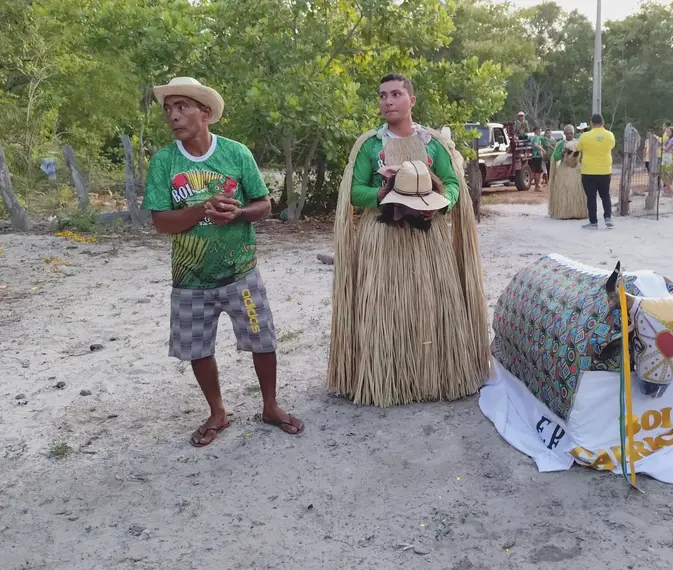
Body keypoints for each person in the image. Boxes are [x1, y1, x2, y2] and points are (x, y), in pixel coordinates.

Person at [142, 77, 303, 447]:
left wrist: (238, 213)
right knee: (199, 348)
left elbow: (264, 205)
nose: (173, 116)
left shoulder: (236, 154)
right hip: (190, 277)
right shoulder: (164, 162)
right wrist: (200, 209)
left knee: (262, 339)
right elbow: (160, 221)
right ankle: (217, 411)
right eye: (168, 109)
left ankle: (270, 405)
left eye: (182, 106)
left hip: (239, 272)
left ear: (206, 113)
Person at [327, 73, 489, 407]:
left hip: (429, 240)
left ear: (412, 100)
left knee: (431, 305)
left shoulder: (433, 143)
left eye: (396, 94)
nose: (387, 101)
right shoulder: (370, 145)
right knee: (385, 310)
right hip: (382, 239)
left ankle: (435, 377)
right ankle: (389, 381)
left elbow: (452, 183)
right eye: (382, 95)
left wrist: (441, 202)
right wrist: (384, 194)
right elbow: (355, 192)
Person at [576, 114, 615, 229]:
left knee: (591, 198)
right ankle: (608, 217)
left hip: (589, 171)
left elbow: (578, 148)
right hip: (605, 170)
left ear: (591, 123)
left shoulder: (585, 136)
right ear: (603, 123)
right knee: (605, 195)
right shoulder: (609, 135)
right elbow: (612, 146)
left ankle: (593, 222)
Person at [547, 125, 587, 219]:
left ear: (574, 133)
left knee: (576, 191)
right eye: (567, 133)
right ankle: (564, 213)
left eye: (571, 133)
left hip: (576, 171)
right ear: (564, 134)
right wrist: (562, 152)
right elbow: (556, 157)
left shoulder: (578, 143)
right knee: (564, 191)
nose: (569, 135)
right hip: (564, 170)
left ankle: (578, 212)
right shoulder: (561, 144)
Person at [661, 126, 673, 196]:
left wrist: (663, 146)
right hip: (665, 156)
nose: (667, 133)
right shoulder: (668, 139)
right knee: (663, 174)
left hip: (668, 156)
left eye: (668, 132)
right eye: (666, 132)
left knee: (665, 174)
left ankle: (670, 191)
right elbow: (662, 144)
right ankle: (668, 190)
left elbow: (666, 148)